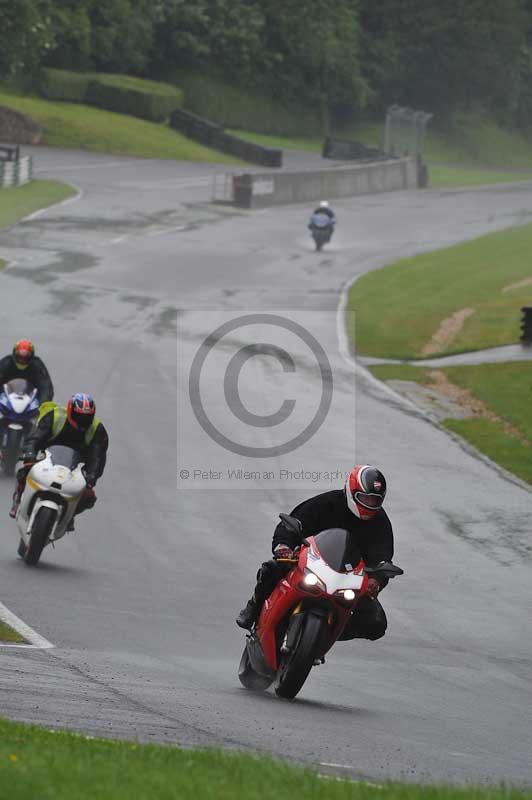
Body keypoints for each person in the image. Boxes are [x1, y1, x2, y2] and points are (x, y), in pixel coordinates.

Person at [236, 465, 394, 643]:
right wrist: (284, 546)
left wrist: (377, 581)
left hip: (348, 579)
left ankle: (325, 635)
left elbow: (383, 557)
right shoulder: (327, 502)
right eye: (365, 498)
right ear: (351, 492)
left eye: (374, 500)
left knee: (376, 623)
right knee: (271, 568)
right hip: (310, 563)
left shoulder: (380, 522)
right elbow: (294, 521)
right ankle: (253, 608)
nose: (369, 504)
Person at [9, 393, 109, 526]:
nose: (82, 421)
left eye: (86, 418)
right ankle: (18, 498)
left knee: (88, 498)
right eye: (78, 416)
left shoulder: (97, 430)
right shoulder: (54, 416)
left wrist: (91, 478)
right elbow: (35, 438)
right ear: (70, 411)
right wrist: (30, 454)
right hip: (46, 457)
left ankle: (69, 516)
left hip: (75, 467)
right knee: (24, 471)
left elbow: (98, 457)